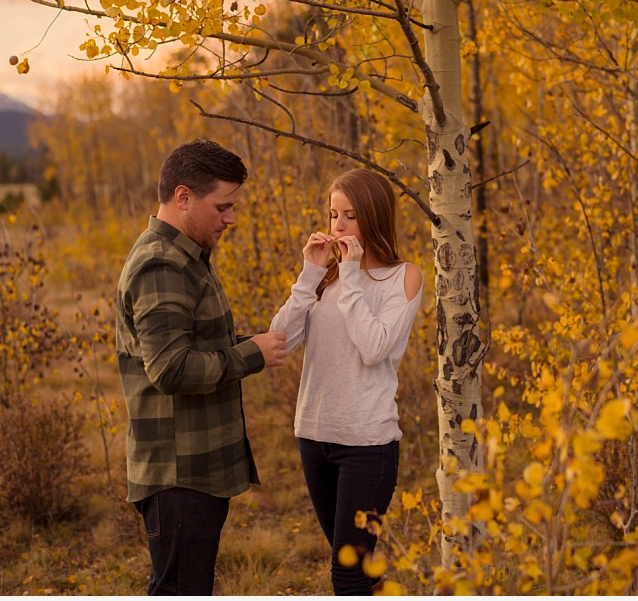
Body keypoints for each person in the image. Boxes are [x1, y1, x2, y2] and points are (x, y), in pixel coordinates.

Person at [115, 139, 288, 595]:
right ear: (184, 197)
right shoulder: (161, 264)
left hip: (195, 469)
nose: (231, 218)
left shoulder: (187, 256)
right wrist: (253, 355)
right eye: (223, 206)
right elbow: (171, 369)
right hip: (178, 475)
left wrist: (258, 343)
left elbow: (197, 345)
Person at [270, 168, 423, 595]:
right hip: (314, 436)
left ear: (373, 217)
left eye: (350, 216)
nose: (337, 226)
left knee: (347, 575)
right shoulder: (326, 279)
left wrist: (352, 275)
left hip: (367, 446)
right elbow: (280, 341)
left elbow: (374, 347)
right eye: (334, 214)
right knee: (358, 567)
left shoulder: (404, 277)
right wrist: (308, 275)